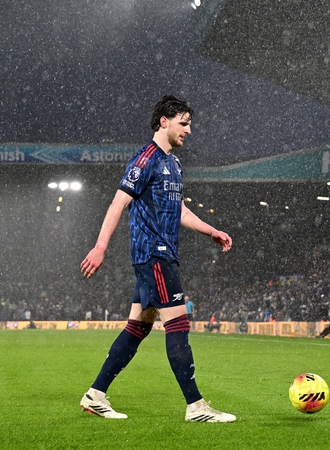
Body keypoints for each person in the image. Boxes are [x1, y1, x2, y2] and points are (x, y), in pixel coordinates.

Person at [78, 95, 235, 423]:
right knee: (178, 324)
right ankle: (196, 406)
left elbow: (180, 210)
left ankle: (95, 395)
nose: (189, 130)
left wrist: (211, 231)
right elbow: (118, 203)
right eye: (184, 123)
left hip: (161, 256)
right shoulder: (145, 159)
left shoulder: (173, 164)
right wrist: (100, 247)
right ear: (164, 121)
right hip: (154, 256)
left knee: (137, 328)